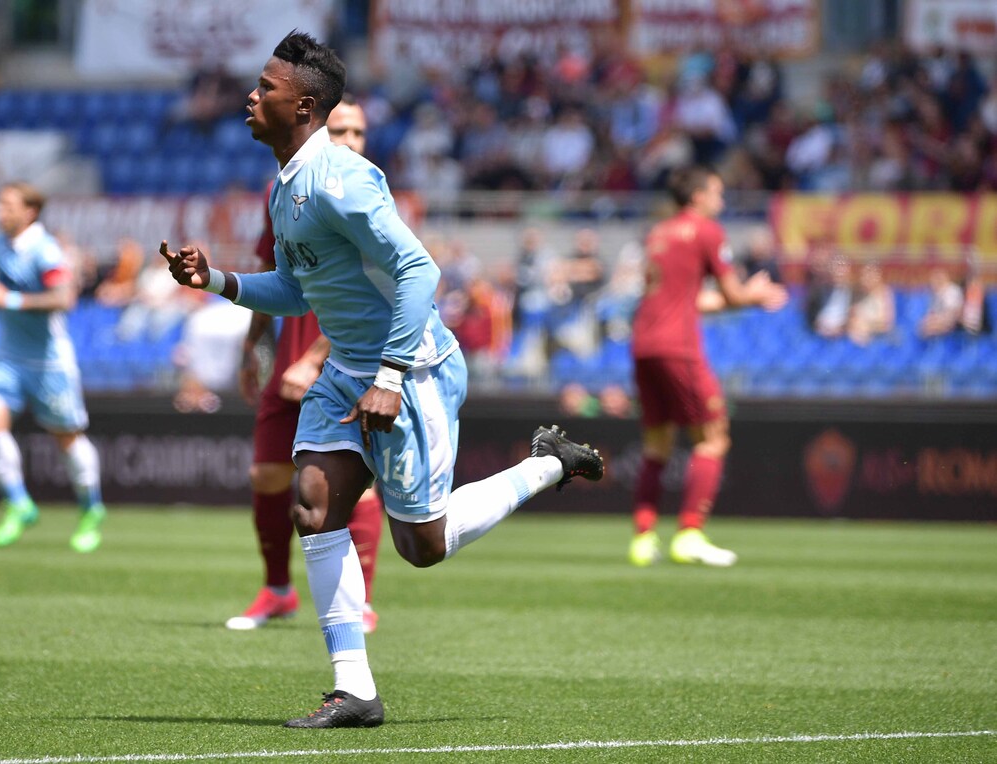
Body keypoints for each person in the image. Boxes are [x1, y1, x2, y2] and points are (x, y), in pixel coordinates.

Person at [159, 31, 603, 729]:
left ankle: (547, 464)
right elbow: (300, 292)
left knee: (421, 547)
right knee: (313, 504)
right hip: (347, 371)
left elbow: (420, 270)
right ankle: (354, 691)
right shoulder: (287, 184)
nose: (251, 96)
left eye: (266, 88)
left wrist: (391, 376)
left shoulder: (341, 179)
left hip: (412, 370)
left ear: (303, 106)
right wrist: (214, 279)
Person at [229, 94, 386, 634]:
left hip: (348, 362)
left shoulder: (365, 193)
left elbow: (373, 290)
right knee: (267, 474)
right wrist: (254, 345)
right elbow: (273, 272)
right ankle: (277, 590)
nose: (350, 141)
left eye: (358, 132)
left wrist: (315, 358)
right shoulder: (284, 187)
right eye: (340, 131)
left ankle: (361, 602)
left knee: (355, 482)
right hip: (288, 360)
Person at [0, 171, 106, 552]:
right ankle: (18, 504)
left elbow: (64, 299)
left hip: (49, 362)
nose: (0, 211)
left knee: (66, 438)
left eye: (8, 206)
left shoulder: (45, 250)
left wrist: (9, 299)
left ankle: (91, 510)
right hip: (8, 358)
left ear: (30, 212)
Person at [628, 165, 786, 568]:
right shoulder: (707, 231)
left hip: (643, 343)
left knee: (657, 444)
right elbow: (732, 295)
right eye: (717, 192)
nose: (722, 199)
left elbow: (680, 299)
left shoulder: (659, 233)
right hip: (678, 347)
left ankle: (643, 539)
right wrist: (754, 294)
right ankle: (690, 534)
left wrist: (739, 298)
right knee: (713, 437)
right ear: (698, 196)